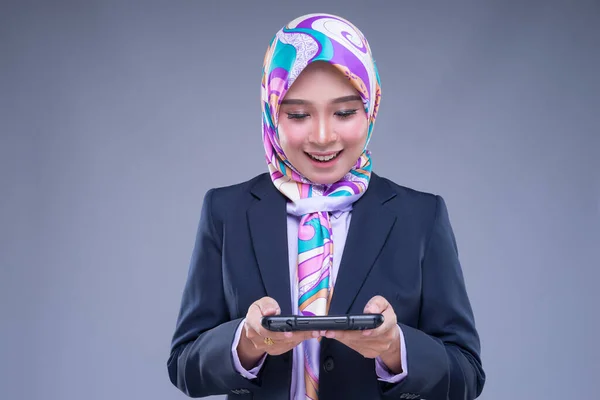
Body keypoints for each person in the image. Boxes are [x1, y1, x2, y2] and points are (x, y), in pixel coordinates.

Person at [167, 12, 485, 400]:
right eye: (299, 114)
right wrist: (246, 343)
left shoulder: (420, 216)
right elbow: (184, 365)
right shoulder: (227, 211)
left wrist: (394, 349)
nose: (322, 136)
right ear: (271, 111)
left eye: (345, 112)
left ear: (370, 108)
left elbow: (467, 375)